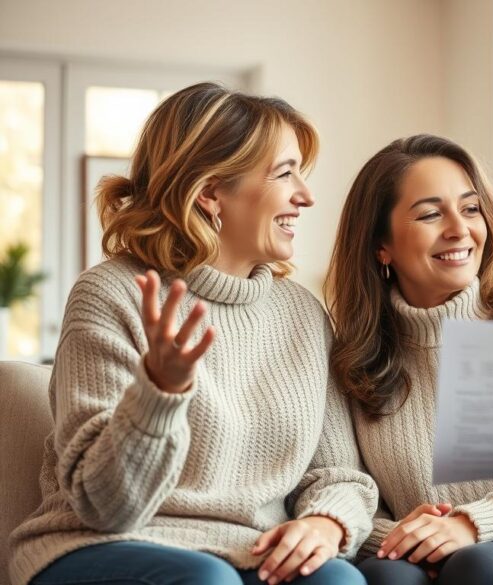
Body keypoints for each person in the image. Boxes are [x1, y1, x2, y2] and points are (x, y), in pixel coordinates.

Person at [9, 82, 376, 585]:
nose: (306, 196)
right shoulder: (112, 293)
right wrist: (160, 390)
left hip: (248, 551)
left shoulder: (303, 316)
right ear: (209, 193)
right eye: (285, 174)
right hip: (102, 544)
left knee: (337, 581)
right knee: (207, 581)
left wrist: (325, 522)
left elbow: (338, 474)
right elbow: (104, 506)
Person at [324, 134, 493, 585]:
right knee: (391, 578)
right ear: (380, 245)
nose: (459, 229)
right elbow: (349, 491)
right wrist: (414, 540)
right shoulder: (352, 357)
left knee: (476, 565)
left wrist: (466, 525)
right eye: (430, 214)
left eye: (470, 209)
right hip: (404, 556)